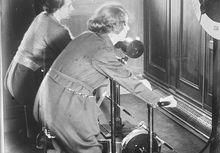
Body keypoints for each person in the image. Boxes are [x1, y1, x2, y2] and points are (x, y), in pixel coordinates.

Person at [33, 3, 177, 153]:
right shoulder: (102, 50)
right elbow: (127, 79)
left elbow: (91, 63)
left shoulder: (88, 36)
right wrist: (158, 99)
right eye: (125, 24)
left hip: (47, 98)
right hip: (65, 104)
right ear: (114, 26)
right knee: (89, 148)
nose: (127, 28)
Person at [5, 0, 73, 140]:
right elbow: (74, 53)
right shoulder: (56, 29)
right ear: (58, 8)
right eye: (69, 5)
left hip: (15, 73)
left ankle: (39, 138)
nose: (73, 8)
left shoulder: (43, 16)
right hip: (25, 79)